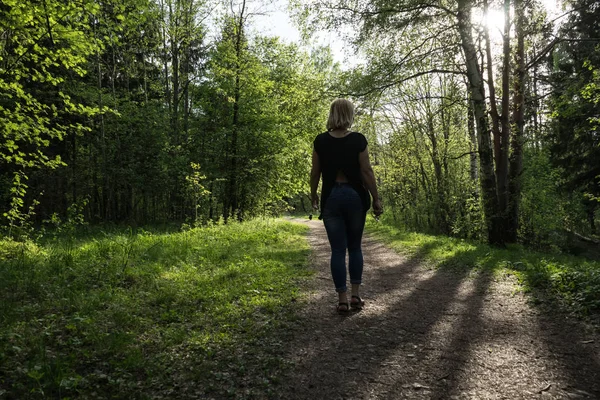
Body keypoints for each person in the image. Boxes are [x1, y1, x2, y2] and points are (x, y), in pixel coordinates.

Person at [310, 98, 383, 313]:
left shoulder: (320, 141)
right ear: (350, 115)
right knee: (355, 247)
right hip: (355, 197)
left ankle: (342, 300)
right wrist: (376, 198)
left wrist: (313, 195)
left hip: (331, 197)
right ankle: (355, 296)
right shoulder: (358, 140)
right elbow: (367, 171)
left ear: (332, 114)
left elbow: (315, 172)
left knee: (338, 250)